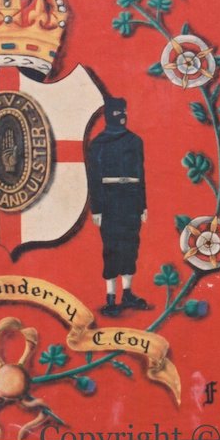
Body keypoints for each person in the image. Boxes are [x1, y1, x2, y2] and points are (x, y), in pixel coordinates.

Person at [86, 97, 148, 317]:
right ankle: (111, 297)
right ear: (108, 115)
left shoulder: (135, 141)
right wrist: (97, 209)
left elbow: (140, 175)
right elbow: (94, 179)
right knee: (111, 245)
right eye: (117, 112)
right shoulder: (98, 144)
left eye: (124, 111)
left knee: (131, 244)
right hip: (109, 199)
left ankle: (127, 293)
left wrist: (142, 205)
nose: (122, 115)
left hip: (131, 198)